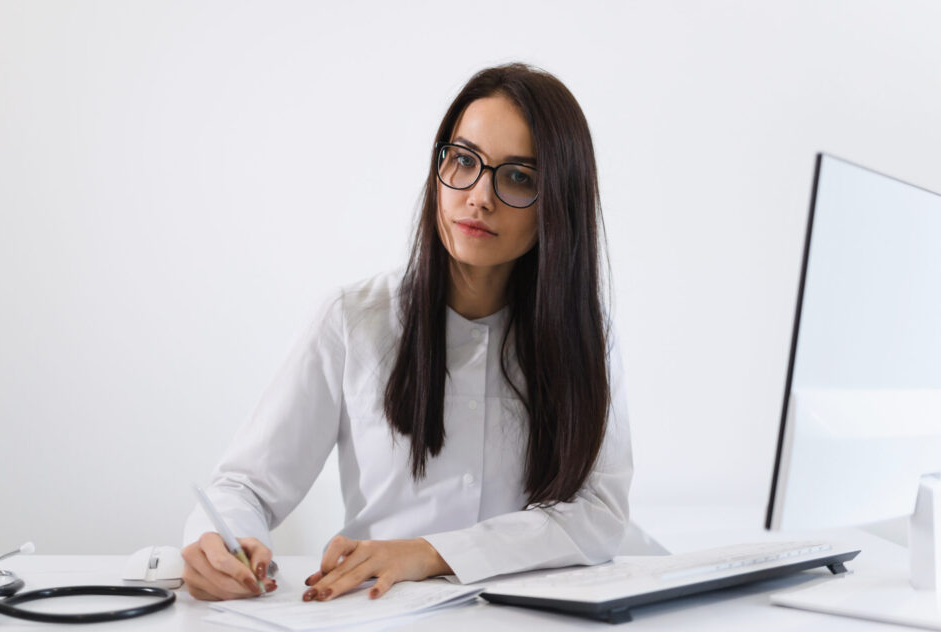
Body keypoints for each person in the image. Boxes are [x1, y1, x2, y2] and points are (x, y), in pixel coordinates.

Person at [181, 62, 633, 603]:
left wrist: (429, 552)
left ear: (557, 204)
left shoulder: (582, 336)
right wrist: (225, 541)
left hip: (531, 630)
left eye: (518, 177)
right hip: (377, 623)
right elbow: (245, 486)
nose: (479, 196)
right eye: (464, 161)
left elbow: (599, 514)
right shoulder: (355, 318)